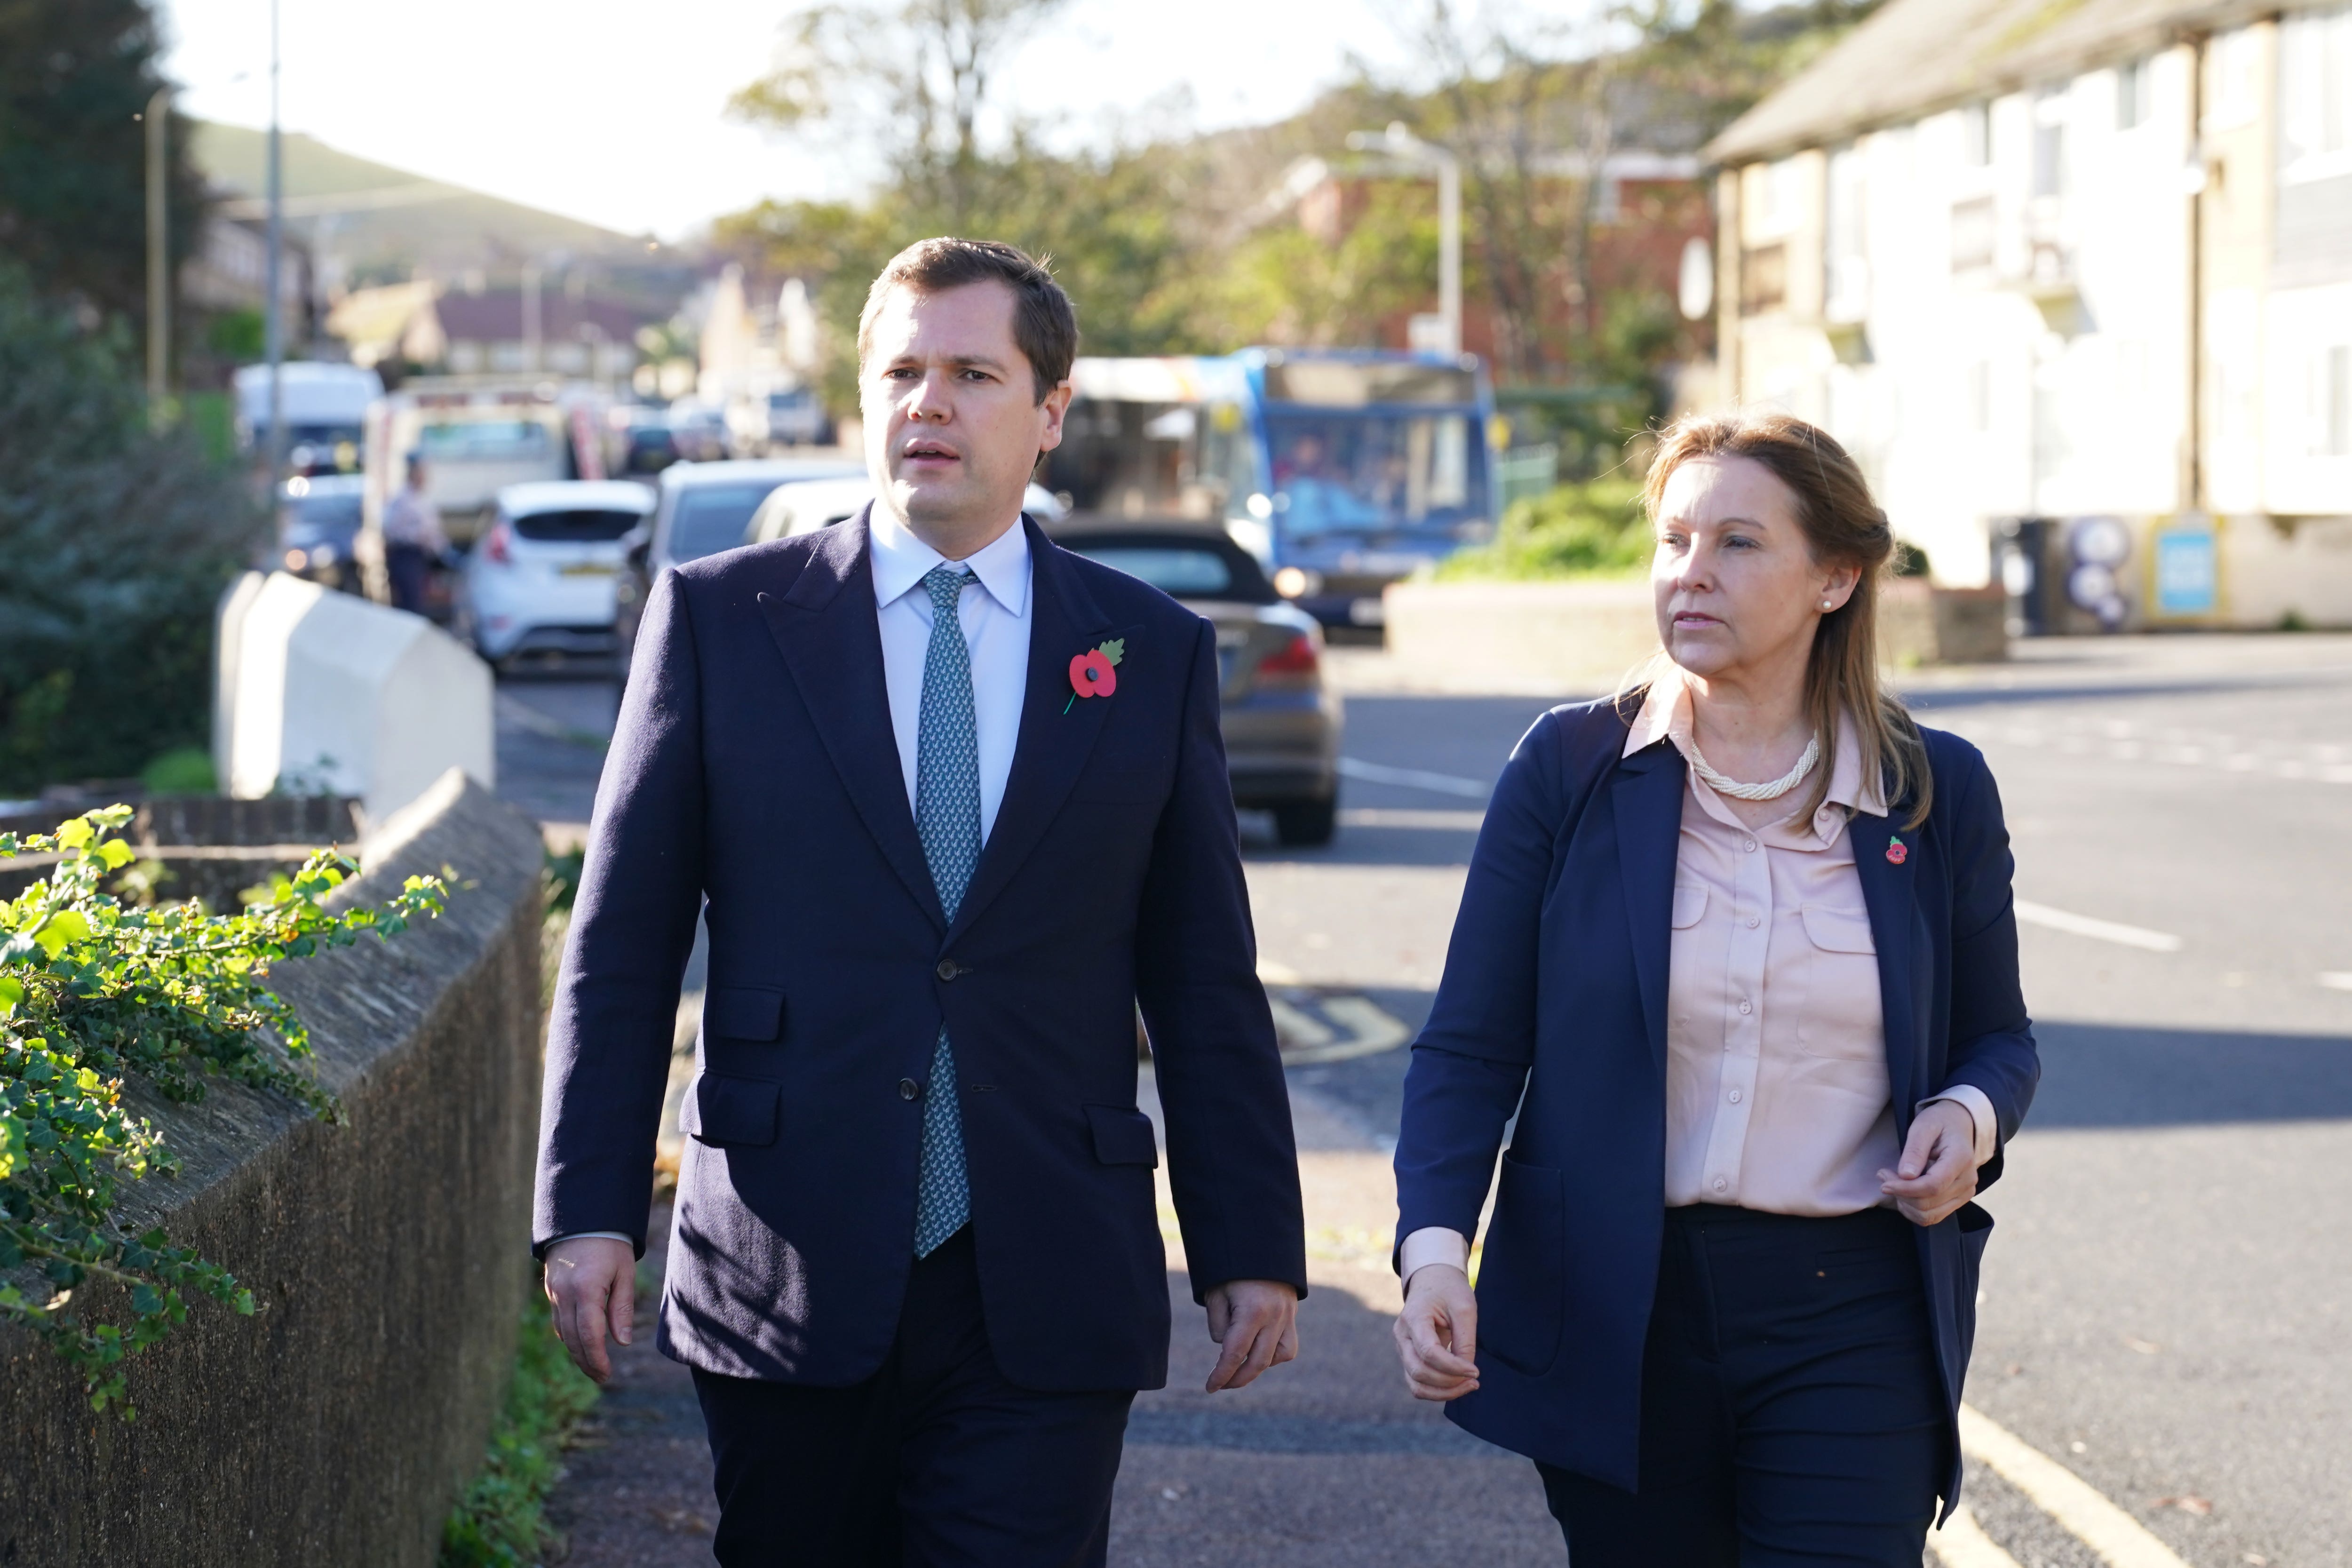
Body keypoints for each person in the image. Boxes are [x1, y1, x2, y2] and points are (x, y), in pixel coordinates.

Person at [534, 238, 1306, 1565]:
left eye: (971, 373)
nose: (927, 403)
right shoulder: (726, 619)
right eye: (900, 370)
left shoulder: (1148, 650)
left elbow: (1201, 972)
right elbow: (622, 942)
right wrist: (592, 1206)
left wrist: (1252, 1237)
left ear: (1050, 412)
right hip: (787, 1252)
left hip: (1047, 1268)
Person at [1390, 410, 2038, 1564]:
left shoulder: (1933, 790)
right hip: (1614, 1305)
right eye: (1673, 540)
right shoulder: (1568, 768)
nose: (1691, 573)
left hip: (1852, 1306)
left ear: (1835, 577)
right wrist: (1436, 1248)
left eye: (1737, 544)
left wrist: (1966, 1115)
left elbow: (1996, 1037)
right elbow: (1470, 1047)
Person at [380, 453, 448, 614]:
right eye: (421, 473)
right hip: (406, 555)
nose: (424, 477)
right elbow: (392, 529)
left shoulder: (421, 499)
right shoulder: (402, 500)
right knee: (410, 605)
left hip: (420, 557)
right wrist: (419, 536)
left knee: (418, 602)